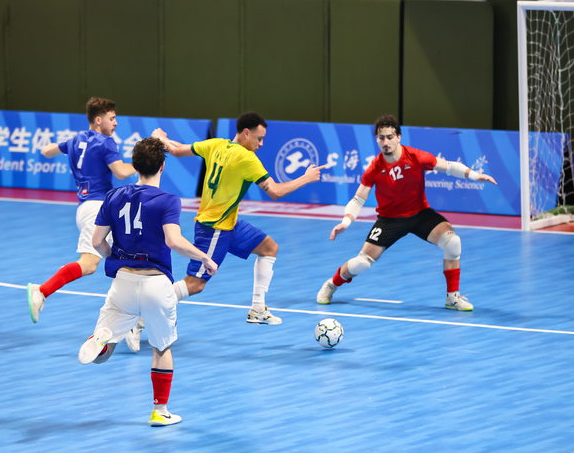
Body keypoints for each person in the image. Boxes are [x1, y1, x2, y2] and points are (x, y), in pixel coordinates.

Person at [77, 137, 218, 427]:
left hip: (123, 282)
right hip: (156, 285)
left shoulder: (113, 196)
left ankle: (102, 338)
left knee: (103, 355)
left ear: (135, 165)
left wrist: (113, 255)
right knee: (161, 349)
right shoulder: (167, 201)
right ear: (162, 167)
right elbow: (174, 241)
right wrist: (204, 257)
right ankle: (160, 411)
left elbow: (97, 242)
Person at [148, 111, 321, 327]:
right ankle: (142, 315)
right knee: (195, 284)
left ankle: (258, 309)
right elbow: (275, 191)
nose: (261, 143)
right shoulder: (247, 158)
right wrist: (306, 178)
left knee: (269, 248)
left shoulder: (216, 144)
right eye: (259, 138)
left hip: (230, 224)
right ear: (246, 133)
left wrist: (161, 137)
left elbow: (176, 149)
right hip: (214, 228)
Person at [316, 114, 497, 310]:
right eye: (381, 137)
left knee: (453, 243)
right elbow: (358, 199)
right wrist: (346, 222)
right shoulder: (375, 168)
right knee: (362, 263)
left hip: (420, 214)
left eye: (390, 136)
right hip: (389, 220)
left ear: (399, 137)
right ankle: (331, 284)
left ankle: (452, 298)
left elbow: (449, 167)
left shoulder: (415, 157)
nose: (386, 142)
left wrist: (475, 175)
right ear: (376, 139)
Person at [26, 98, 138, 343]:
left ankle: (131, 320)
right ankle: (42, 291)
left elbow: (47, 151)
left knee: (126, 258)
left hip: (87, 207)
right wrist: (140, 164)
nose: (116, 123)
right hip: (99, 209)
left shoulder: (76, 140)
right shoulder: (106, 142)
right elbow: (120, 172)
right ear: (98, 120)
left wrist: (57, 151)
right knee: (89, 264)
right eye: (112, 118)